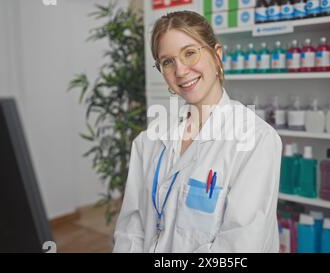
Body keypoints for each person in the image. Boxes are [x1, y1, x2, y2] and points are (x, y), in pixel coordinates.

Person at [113, 10, 282, 253]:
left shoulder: (256, 140)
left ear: (217, 55)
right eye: (167, 61)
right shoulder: (148, 141)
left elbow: (241, 246)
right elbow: (130, 228)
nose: (180, 71)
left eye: (190, 53)